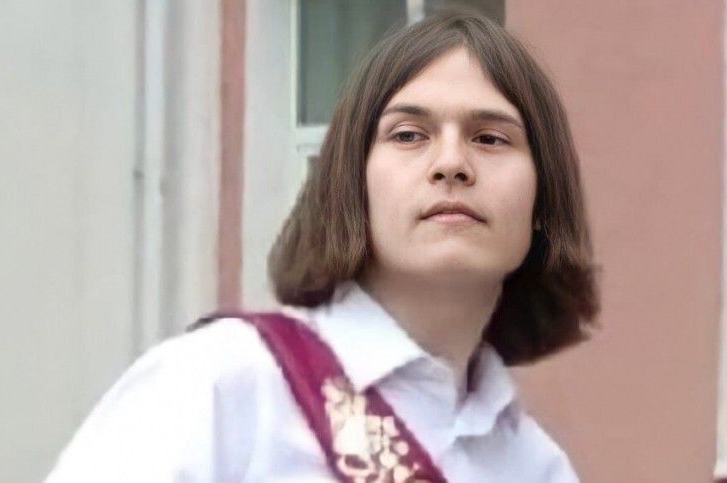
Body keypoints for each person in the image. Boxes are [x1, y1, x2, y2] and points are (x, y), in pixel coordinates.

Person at [45, 8, 599, 482]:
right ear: (351, 182)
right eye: (409, 135)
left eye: (491, 138)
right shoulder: (224, 384)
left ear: (543, 198)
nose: (451, 163)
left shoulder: (535, 465)